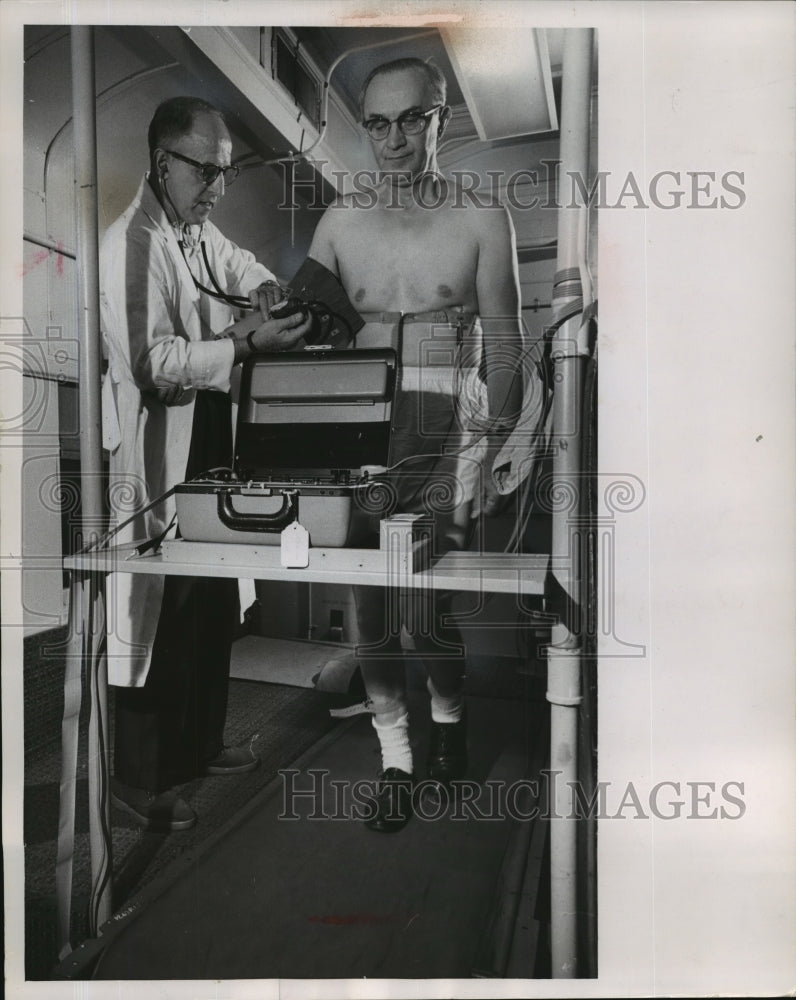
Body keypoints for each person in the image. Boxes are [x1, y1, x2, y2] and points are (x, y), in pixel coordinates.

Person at [308, 58, 526, 831]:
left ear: (442, 120)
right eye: (377, 122)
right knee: (368, 608)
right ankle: (396, 758)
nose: (393, 139)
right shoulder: (338, 222)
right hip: (360, 435)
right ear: (363, 126)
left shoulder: (478, 217)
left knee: (426, 608)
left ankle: (451, 724)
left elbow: (505, 341)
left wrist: (499, 445)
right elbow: (301, 331)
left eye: (412, 120)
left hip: (446, 431)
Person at [100, 97, 311, 832]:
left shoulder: (192, 229)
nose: (219, 187)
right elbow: (149, 363)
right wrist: (245, 347)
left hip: (207, 438)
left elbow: (237, 262)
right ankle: (140, 782)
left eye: (227, 173)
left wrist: (261, 285)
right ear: (163, 164)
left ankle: (203, 743)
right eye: (207, 172)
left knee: (212, 599)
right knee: (163, 612)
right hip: (160, 452)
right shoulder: (134, 241)